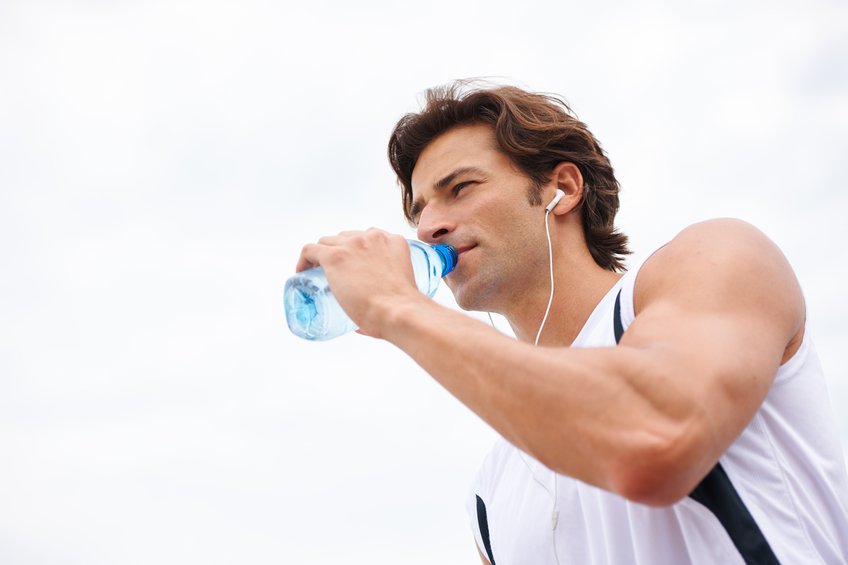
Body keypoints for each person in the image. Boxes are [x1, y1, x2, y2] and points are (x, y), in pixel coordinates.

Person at [295, 82, 848, 564]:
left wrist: (397, 306)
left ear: (563, 188)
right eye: (418, 212)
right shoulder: (490, 494)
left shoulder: (713, 258)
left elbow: (654, 439)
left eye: (460, 188)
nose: (430, 227)